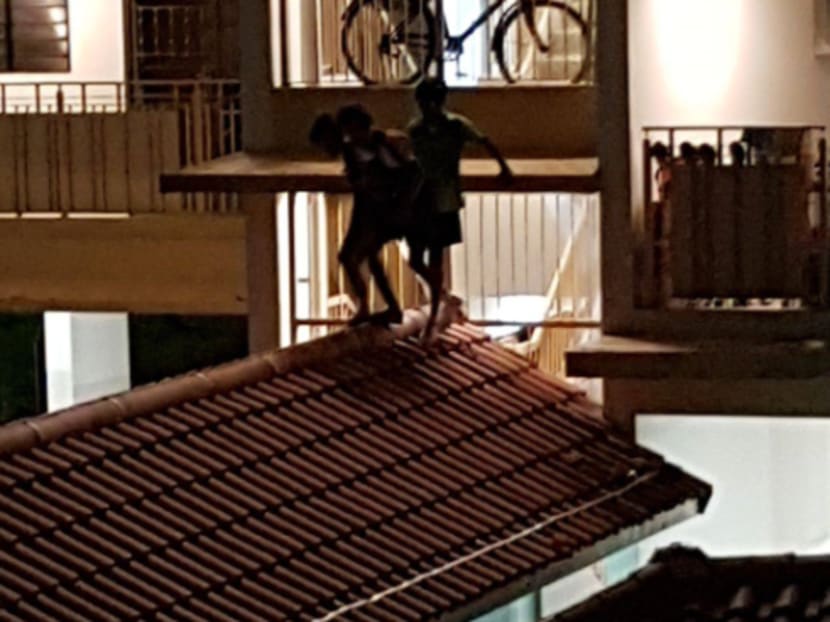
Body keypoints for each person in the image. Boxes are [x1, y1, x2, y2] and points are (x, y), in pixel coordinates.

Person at [408, 77, 512, 341]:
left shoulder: (454, 125)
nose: (425, 108)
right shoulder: (416, 129)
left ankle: (434, 315)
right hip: (422, 197)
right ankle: (441, 294)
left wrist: (503, 167)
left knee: (434, 256)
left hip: (444, 198)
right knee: (416, 259)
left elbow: (485, 141)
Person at [309, 105, 423, 326]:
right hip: (368, 210)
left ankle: (380, 306)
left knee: (356, 256)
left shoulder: (380, 146)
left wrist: (402, 204)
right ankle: (379, 306)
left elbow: (409, 173)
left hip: (382, 210)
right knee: (362, 256)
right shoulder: (353, 152)